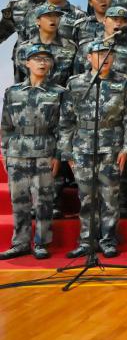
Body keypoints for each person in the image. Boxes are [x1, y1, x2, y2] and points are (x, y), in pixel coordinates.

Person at [61, 40, 127, 258]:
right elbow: (66, 120)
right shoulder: (76, 83)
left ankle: (108, 239)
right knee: (86, 196)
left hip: (112, 147)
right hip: (83, 147)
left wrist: (126, 147)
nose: (105, 58)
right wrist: (67, 151)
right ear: (88, 57)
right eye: (99, 54)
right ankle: (87, 241)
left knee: (110, 196)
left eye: (108, 54)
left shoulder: (124, 82)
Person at [0, 45, 64, 260]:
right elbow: (6, 125)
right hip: (17, 152)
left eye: (46, 59)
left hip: (45, 151)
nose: (42, 63)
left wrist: (58, 155)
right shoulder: (13, 92)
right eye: (37, 59)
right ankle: (20, 243)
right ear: (27, 63)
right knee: (19, 200)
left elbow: (63, 127)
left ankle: (41, 243)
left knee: (44, 200)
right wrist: (5, 152)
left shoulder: (58, 93)